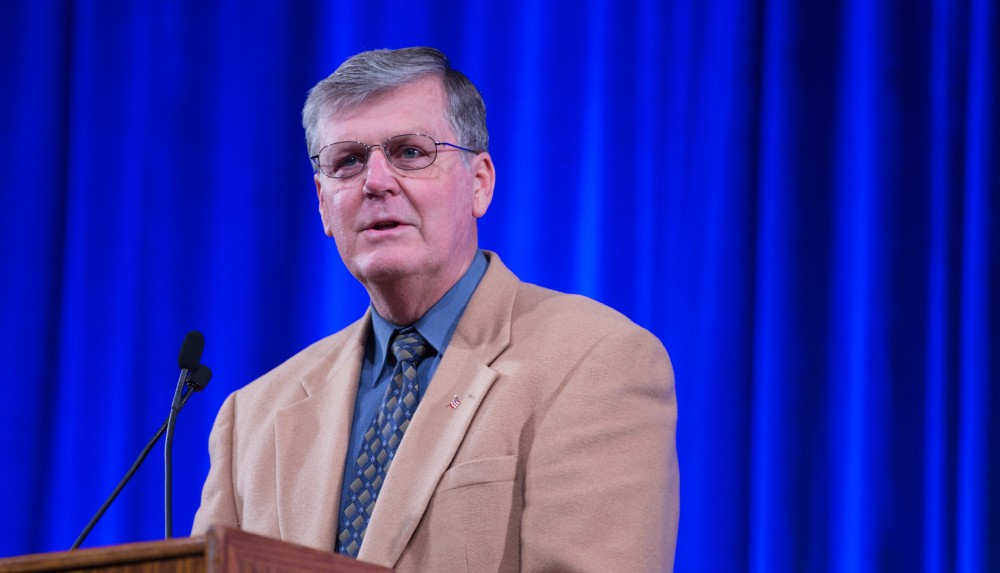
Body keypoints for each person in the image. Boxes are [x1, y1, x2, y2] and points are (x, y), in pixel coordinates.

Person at [192, 46, 679, 572]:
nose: (375, 182)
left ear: (479, 183)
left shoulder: (594, 362)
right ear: (323, 204)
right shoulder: (252, 417)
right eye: (347, 162)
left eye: (409, 152)